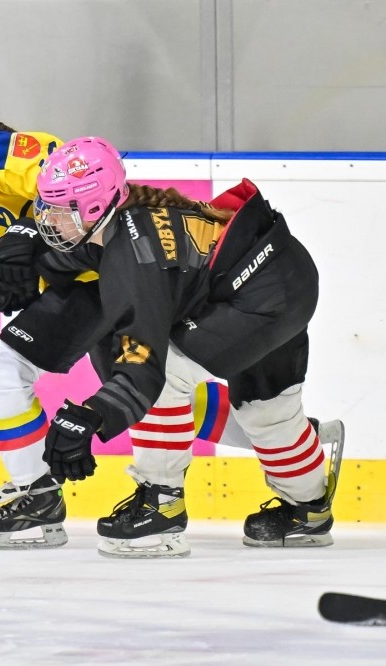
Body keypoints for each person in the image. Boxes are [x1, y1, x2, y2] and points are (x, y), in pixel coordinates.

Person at [0, 80, 269, 550]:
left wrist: (22, 236)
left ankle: (36, 497)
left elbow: (63, 167)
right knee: (146, 393)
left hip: (105, 272)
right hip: (77, 284)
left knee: (0, 374)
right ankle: (287, 441)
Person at [32, 136, 344, 558]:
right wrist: (26, 261)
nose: (48, 218)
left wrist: (91, 417)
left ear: (92, 208)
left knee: (164, 380)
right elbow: (82, 259)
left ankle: (161, 505)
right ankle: (309, 511)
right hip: (282, 275)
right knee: (267, 413)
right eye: (46, 205)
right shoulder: (126, 218)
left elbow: (144, 366)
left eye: (59, 208)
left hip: (261, 298)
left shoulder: (135, 257)